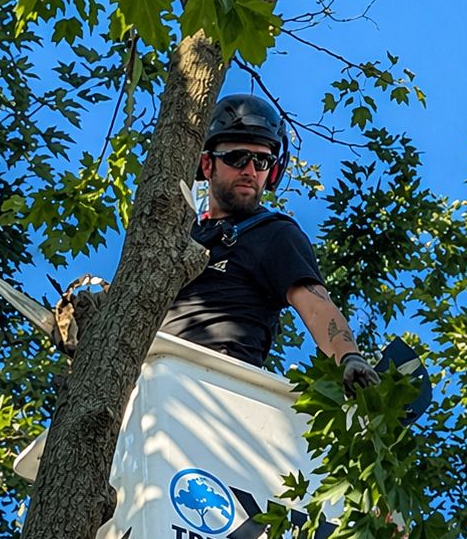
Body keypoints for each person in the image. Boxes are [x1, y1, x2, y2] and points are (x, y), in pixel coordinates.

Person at [161, 94, 381, 395]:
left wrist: (349, 357)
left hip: (216, 388)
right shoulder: (175, 238)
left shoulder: (273, 234)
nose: (250, 171)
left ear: (272, 172)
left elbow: (317, 306)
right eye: (237, 157)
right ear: (207, 164)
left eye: (262, 161)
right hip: (146, 383)